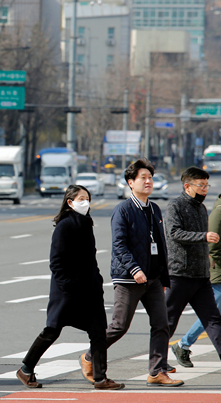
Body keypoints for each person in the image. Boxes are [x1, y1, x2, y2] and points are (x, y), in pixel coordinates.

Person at [80, 159, 183, 387]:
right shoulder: (123, 210)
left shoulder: (154, 209)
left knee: (161, 324)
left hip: (153, 279)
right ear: (130, 182)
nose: (148, 182)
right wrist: (134, 269)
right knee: (119, 326)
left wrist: (163, 277)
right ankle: (89, 356)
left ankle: (156, 372)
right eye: (143, 178)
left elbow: (160, 245)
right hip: (129, 278)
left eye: (150, 178)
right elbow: (119, 245)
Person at [16, 186, 123, 390]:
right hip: (69, 292)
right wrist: (69, 288)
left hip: (89, 290)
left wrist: (97, 281)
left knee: (98, 331)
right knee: (52, 330)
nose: (85, 202)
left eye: (87, 198)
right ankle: (26, 369)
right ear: (70, 202)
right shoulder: (65, 226)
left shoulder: (85, 223)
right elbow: (56, 263)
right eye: (81, 198)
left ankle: (100, 378)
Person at [165, 167, 221, 373]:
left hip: (201, 275)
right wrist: (203, 237)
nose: (205, 189)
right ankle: (157, 360)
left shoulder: (200, 208)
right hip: (179, 274)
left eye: (207, 185)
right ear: (187, 186)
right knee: (168, 322)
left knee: (213, 318)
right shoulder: (175, 206)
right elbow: (174, 233)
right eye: (201, 185)